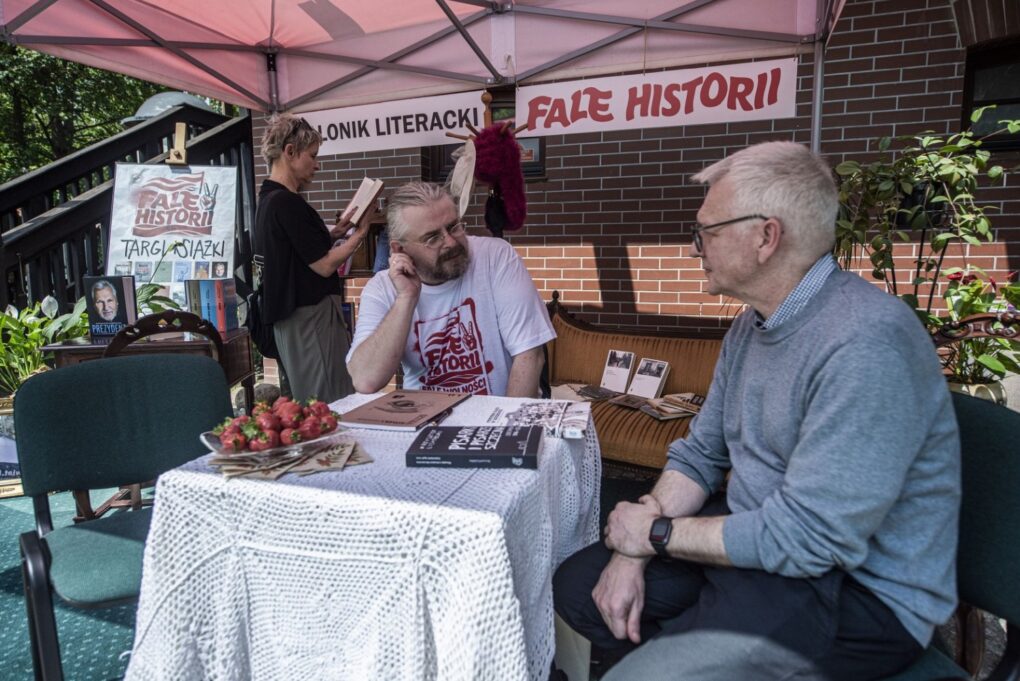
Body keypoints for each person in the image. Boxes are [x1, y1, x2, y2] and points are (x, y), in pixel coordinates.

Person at [553, 142, 961, 681]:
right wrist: (632, 552)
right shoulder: (752, 325)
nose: (695, 245)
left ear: (766, 237)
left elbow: (810, 541)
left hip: (855, 590)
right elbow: (701, 453)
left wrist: (654, 536)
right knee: (580, 588)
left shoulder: (866, 343)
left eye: (707, 230)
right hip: (758, 547)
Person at [347, 182, 555, 397]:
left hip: (500, 415)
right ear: (400, 249)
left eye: (454, 226)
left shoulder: (496, 257)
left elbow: (529, 355)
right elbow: (365, 380)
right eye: (432, 237)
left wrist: (506, 427)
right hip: (425, 421)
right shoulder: (382, 288)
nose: (450, 242)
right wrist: (406, 298)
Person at [254, 114, 373, 403]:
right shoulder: (286, 202)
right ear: (290, 151)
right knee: (330, 401)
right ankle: (336, 450)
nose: (317, 165)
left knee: (310, 399)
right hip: (309, 319)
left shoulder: (269, 199)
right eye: (313, 155)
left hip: (292, 320)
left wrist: (336, 233)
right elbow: (323, 265)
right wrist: (361, 233)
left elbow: (296, 251)